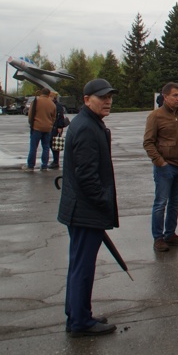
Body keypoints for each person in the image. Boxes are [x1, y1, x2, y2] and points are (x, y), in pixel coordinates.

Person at [56, 78, 119, 337]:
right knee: (82, 267)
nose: (107, 101)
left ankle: (78, 315)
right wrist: (103, 201)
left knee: (79, 266)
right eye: (101, 97)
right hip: (85, 211)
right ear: (86, 100)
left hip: (82, 209)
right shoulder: (86, 128)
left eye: (109, 96)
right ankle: (80, 322)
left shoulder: (89, 124)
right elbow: (87, 176)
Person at [144, 82, 178, 252]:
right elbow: (148, 143)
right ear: (165, 97)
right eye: (175, 95)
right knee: (161, 203)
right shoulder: (155, 116)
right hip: (165, 168)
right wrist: (161, 163)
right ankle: (158, 238)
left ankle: (170, 234)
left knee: (175, 203)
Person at [23, 87, 57, 171]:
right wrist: (50, 124)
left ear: (41, 93)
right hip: (48, 128)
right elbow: (54, 117)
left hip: (37, 127)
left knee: (33, 147)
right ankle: (44, 165)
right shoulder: (52, 104)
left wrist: (31, 123)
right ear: (49, 94)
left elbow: (30, 114)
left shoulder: (36, 101)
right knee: (46, 147)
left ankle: (31, 165)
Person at [49, 93, 69, 170]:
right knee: (52, 143)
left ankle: (56, 161)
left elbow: (60, 116)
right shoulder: (53, 105)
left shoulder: (58, 105)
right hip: (54, 127)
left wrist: (60, 126)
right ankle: (55, 160)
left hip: (56, 127)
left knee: (54, 143)